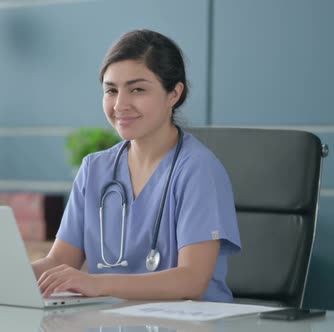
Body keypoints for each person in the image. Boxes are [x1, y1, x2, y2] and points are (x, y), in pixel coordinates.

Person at [32, 29, 241, 302]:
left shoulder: (198, 169)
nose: (120, 105)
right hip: (113, 321)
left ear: (173, 94)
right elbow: (59, 261)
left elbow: (191, 280)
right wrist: (0, 275)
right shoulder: (94, 169)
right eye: (111, 90)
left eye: (137, 89)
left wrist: (97, 284)